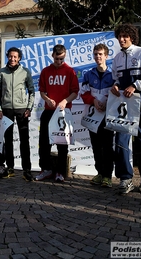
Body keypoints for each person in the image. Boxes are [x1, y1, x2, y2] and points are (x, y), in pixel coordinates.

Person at [111, 24, 141, 194]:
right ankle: (125, 178)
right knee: (121, 140)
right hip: (124, 104)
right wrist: (115, 86)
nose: (122, 39)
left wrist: (135, 85)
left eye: (125, 36)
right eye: (119, 36)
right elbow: (115, 78)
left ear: (132, 37)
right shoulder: (117, 58)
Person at [36, 44, 79, 183]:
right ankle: (46, 169)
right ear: (52, 56)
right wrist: (47, 99)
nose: (59, 62)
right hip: (48, 112)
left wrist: (65, 101)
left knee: (62, 143)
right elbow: (42, 91)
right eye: (57, 59)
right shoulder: (45, 71)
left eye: (62, 59)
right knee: (44, 142)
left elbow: (75, 92)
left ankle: (60, 172)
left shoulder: (70, 71)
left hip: (63, 113)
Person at [0, 46, 35, 181]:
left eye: (15, 57)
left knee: (24, 140)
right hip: (6, 109)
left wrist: (29, 108)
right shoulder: (2, 72)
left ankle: (27, 169)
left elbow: (32, 91)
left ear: (19, 58)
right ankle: (10, 167)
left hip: (22, 109)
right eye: (10, 56)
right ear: (8, 57)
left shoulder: (25, 72)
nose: (12, 59)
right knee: (8, 140)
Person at [80, 43, 114, 188]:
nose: (97, 57)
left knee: (107, 146)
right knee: (96, 146)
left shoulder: (113, 74)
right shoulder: (88, 74)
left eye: (100, 54)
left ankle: (107, 176)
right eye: (95, 54)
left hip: (107, 116)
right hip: (93, 116)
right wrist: (94, 101)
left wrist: (107, 102)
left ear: (106, 56)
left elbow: (116, 94)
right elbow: (83, 93)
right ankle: (99, 173)